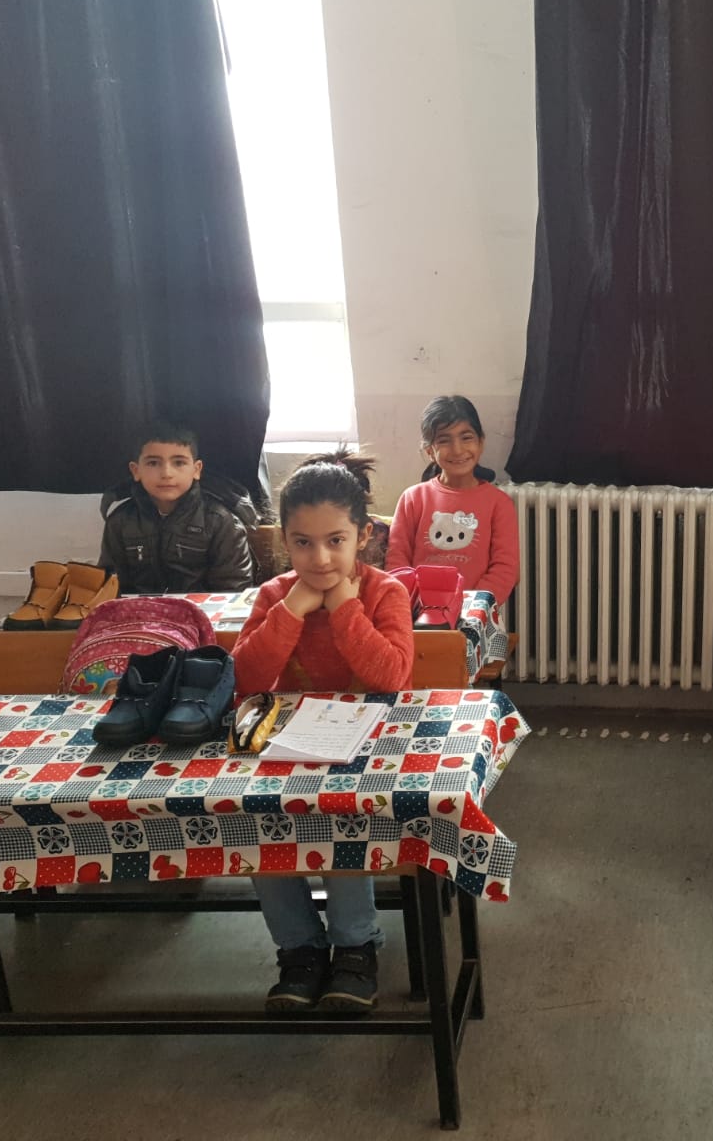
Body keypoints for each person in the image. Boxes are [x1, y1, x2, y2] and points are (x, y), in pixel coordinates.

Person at [232, 448, 415, 1013]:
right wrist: (292, 609)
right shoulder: (275, 596)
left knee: (343, 819)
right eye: (303, 543)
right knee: (259, 821)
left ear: (363, 536)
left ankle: (356, 948)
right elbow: (246, 678)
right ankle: (300, 951)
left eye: (336, 540)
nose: (320, 557)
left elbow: (389, 677)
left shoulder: (383, 593)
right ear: (284, 542)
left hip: (366, 748)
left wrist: (344, 609)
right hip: (290, 745)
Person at [385, 395, 519, 604]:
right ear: (430, 451)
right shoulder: (412, 499)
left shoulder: (499, 503)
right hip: (418, 611)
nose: (457, 450)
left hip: (476, 613)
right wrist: (414, 605)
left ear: (481, 442)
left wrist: (472, 607)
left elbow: (505, 568)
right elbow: (397, 562)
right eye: (444, 440)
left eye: (466, 437)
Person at [98, 422, 256, 594]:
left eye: (179, 463)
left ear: (196, 470)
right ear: (136, 471)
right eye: (153, 463)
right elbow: (108, 587)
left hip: (202, 610)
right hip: (138, 610)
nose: (166, 473)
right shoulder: (120, 521)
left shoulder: (220, 522)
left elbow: (234, 591)